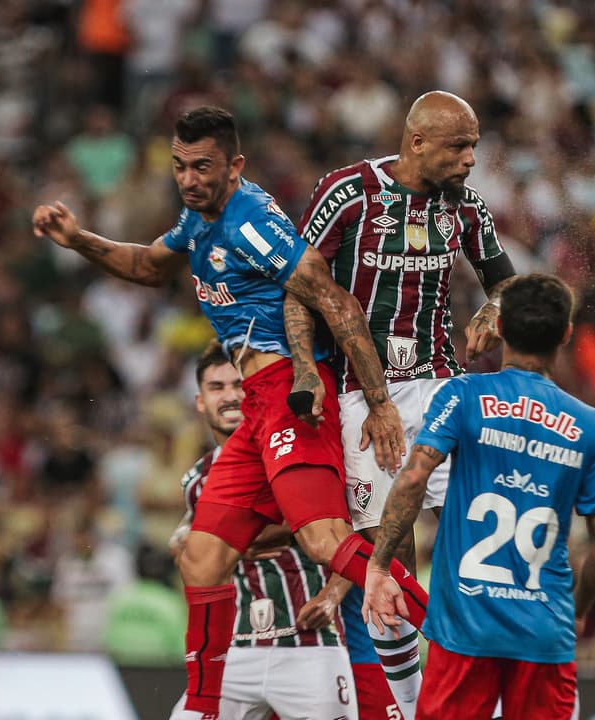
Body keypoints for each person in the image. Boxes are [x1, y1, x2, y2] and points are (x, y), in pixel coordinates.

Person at [31, 106, 418, 719]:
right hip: (257, 411)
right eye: (180, 166)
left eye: (203, 166)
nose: (189, 178)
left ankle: (449, 628)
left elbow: (333, 301)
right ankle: (206, 709)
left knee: (323, 541)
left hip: (293, 396)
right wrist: (78, 239)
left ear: (235, 166)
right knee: (202, 557)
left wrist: (378, 405)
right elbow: (148, 266)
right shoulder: (198, 218)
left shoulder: (252, 225)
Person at [289, 90, 516, 706]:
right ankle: (411, 703)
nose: (471, 159)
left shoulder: (465, 205)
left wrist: (494, 309)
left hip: (440, 385)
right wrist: (308, 369)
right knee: (388, 554)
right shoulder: (347, 192)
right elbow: (300, 288)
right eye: (460, 146)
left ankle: (476, 678)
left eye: (474, 146)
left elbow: (506, 281)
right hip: (364, 396)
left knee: (472, 528)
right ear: (417, 142)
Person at [362, 273, 595, 720]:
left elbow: (411, 480)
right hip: (544, 633)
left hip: (464, 630)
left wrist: (380, 563)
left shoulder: (461, 395)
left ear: (498, 329)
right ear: (566, 334)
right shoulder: (592, 425)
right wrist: (576, 610)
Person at [167, 341, 363, 720]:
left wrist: (333, 593)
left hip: (308, 644)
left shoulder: (301, 451)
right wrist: (184, 537)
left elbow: (352, 528)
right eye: (216, 388)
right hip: (235, 650)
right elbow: (194, 552)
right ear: (200, 402)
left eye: (237, 385)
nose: (229, 397)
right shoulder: (195, 480)